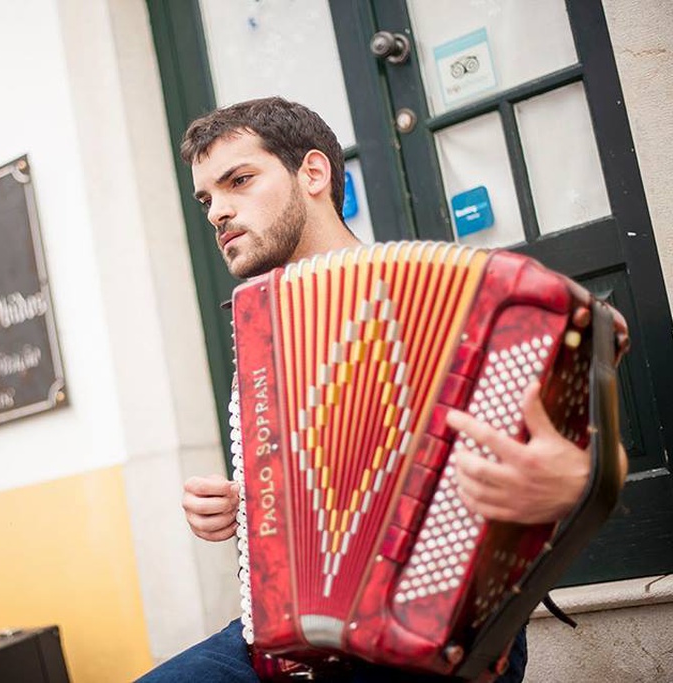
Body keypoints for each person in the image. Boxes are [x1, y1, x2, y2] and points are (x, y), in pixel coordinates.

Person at [136, 97, 628, 683]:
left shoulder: (462, 295)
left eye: (238, 181)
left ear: (313, 173)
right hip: (289, 631)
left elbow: (586, 444)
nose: (218, 211)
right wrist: (245, 505)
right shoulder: (265, 328)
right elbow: (320, 470)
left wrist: (579, 479)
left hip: (437, 620)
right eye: (206, 199)